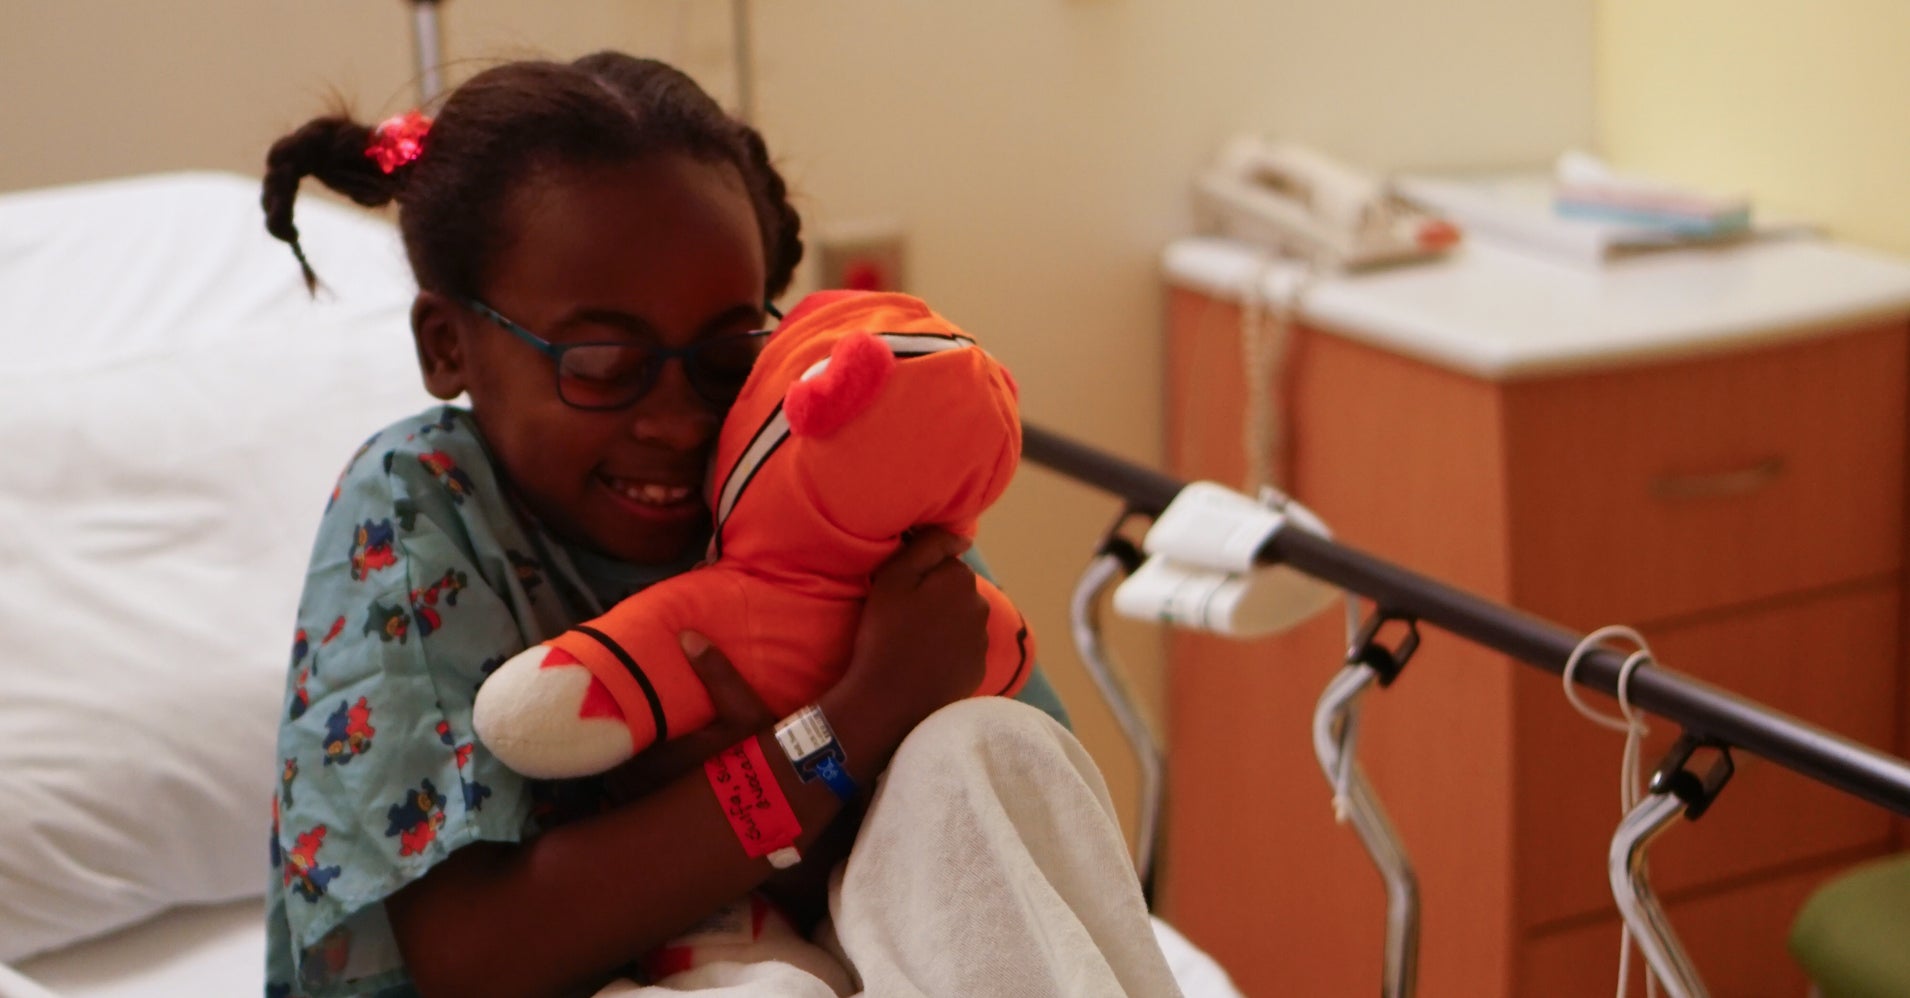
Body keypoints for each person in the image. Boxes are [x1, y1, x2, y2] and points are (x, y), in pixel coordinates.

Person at [260, 51, 1180, 998]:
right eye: (605, 362)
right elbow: (478, 958)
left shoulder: (816, 478)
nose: (679, 421)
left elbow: (1013, 838)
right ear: (447, 344)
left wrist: (810, 787)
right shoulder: (423, 510)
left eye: (727, 356)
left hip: (835, 953)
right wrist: (845, 730)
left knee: (980, 750)